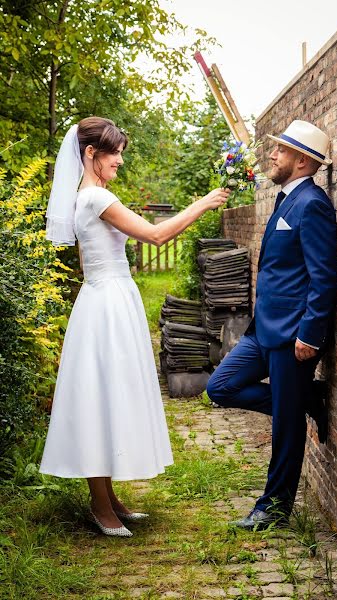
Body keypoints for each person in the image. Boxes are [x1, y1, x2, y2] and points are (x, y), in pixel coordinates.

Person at [40, 116, 230, 537]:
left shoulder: (94, 194)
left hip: (109, 297)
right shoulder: (92, 199)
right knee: (98, 398)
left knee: (109, 394)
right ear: (91, 153)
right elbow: (156, 235)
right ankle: (98, 503)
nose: (121, 161)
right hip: (106, 303)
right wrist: (203, 202)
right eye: (116, 153)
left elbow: (91, 258)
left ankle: (109, 498)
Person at [207, 120, 337, 529]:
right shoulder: (285, 200)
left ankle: (274, 508)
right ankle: (304, 399)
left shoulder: (312, 203)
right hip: (262, 331)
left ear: (302, 160)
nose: (272, 154)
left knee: (285, 425)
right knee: (220, 387)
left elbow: (323, 277)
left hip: (292, 337)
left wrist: (310, 334)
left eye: (281, 150)